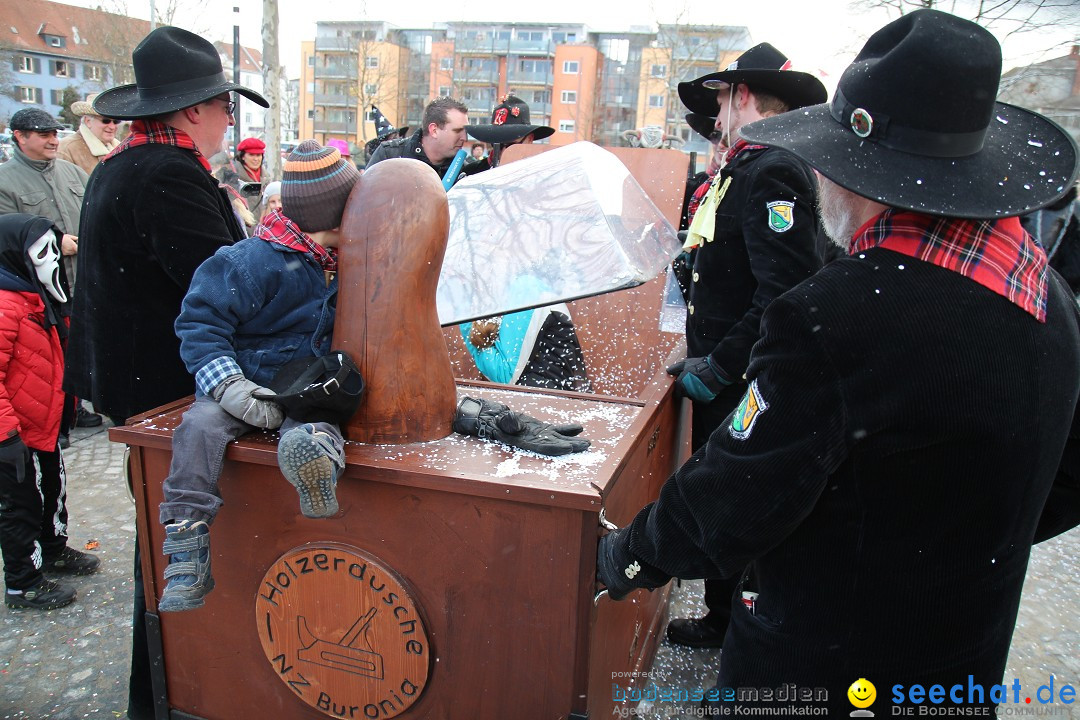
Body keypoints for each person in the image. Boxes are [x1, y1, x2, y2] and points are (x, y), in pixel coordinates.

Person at [596, 10, 1080, 716]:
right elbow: (1065, 476)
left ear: (867, 175)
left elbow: (734, 497)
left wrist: (629, 554)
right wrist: (947, 548)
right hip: (952, 669)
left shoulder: (840, 315)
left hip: (817, 674)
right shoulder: (1047, 292)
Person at [63, 25, 267, 720]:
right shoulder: (168, 175)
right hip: (166, 399)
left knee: (163, 547)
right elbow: (226, 287)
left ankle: (164, 688)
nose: (228, 120)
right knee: (173, 550)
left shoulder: (122, 165)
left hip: (136, 394)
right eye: (222, 106)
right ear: (190, 111)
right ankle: (162, 694)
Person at [662, 42, 828, 650]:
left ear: (744, 96)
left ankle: (742, 635)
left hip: (744, 377)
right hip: (726, 369)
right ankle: (723, 618)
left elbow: (785, 292)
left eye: (722, 98)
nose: (719, 112)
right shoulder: (747, 167)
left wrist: (721, 364)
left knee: (745, 508)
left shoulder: (773, 169)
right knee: (727, 502)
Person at [157, 140, 360, 612]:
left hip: (304, 384)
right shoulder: (249, 262)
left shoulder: (345, 264)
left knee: (315, 423)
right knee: (199, 428)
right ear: (337, 215)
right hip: (243, 379)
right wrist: (229, 385)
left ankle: (313, 459)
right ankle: (186, 539)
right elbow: (200, 323)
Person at [456, 97, 590, 393]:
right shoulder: (475, 180)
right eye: (496, 145)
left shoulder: (548, 184)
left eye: (509, 145)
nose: (499, 153)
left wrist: (464, 316)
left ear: (528, 141)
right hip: (495, 295)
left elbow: (505, 371)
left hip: (531, 306)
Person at [0, 214, 100, 611]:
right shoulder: (7, 306)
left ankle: (54, 549)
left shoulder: (33, 297)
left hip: (42, 425)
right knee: (18, 506)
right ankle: (23, 582)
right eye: (41, 252)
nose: (52, 260)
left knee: (50, 493)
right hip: (16, 433)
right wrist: (6, 436)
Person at [0, 108, 99, 442]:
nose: (53, 140)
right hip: (37, 292)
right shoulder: (4, 181)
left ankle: (77, 406)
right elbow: (7, 238)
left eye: (55, 134)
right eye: (44, 135)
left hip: (81, 282)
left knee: (79, 350)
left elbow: (95, 215)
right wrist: (59, 243)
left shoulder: (71, 172)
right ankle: (56, 422)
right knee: (47, 360)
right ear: (20, 136)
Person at [367, 96, 469, 179]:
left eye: (466, 131)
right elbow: (363, 198)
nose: (465, 138)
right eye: (458, 131)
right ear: (434, 130)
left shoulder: (463, 169)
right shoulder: (389, 155)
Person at [467, 94, 554, 168]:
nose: (504, 152)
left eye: (511, 146)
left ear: (529, 139)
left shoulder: (540, 175)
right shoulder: (471, 174)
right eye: (497, 145)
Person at [57, 93, 122, 176]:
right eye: (106, 121)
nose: (112, 126)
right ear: (88, 121)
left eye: (116, 121)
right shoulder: (67, 148)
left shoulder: (120, 147)